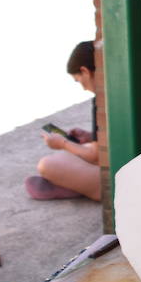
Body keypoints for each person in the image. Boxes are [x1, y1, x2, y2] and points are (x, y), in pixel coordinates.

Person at [26, 40, 100, 201]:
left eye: (78, 80)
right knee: (84, 146)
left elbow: (95, 156)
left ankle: (75, 186)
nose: (83, 87)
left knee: (46, 165)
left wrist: (63, 144)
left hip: (116, 180)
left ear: (85, 71)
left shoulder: (101, 100)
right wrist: (90, 136)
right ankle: (73, 182)